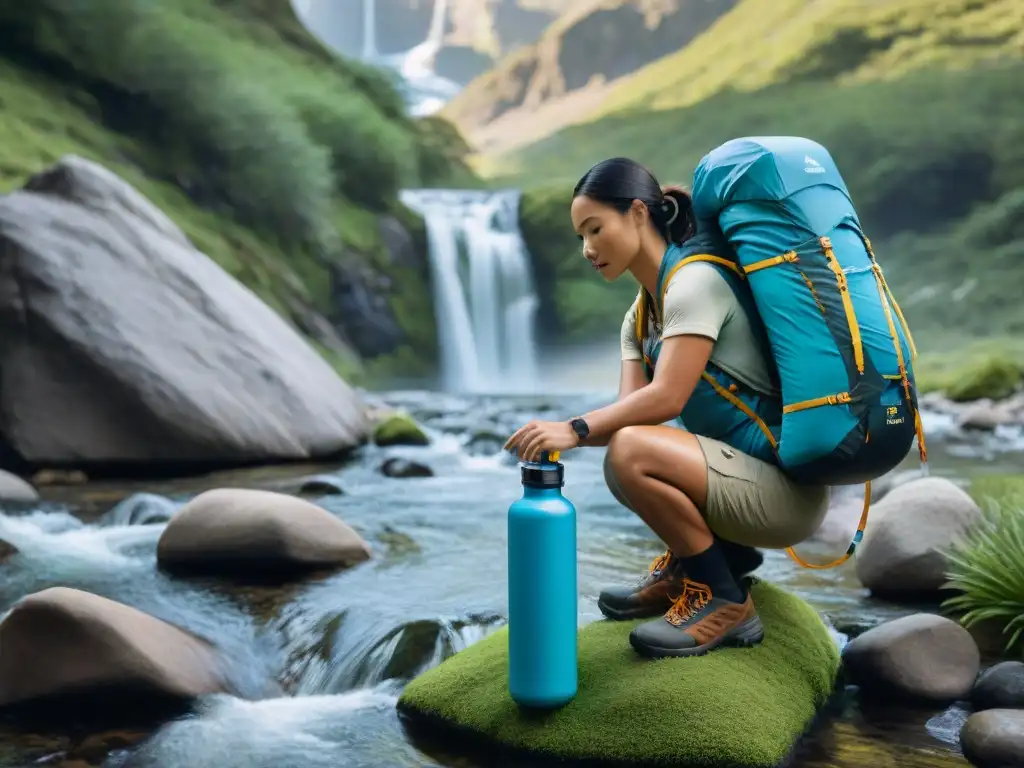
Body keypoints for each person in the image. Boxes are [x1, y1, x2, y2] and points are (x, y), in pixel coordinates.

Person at [503, 157, 830, 660]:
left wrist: (572, 428)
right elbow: (632, 412)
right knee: (625, 454)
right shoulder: (640, 315)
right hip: (741, 481)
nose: (587, 249)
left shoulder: (696, 285)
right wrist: (564, 434)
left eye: (595, 229)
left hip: (786, 493)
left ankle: (724, 599)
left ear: (637, 212)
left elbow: (666, 399)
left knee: (631, 454)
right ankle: (705, 562)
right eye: (579, 237)